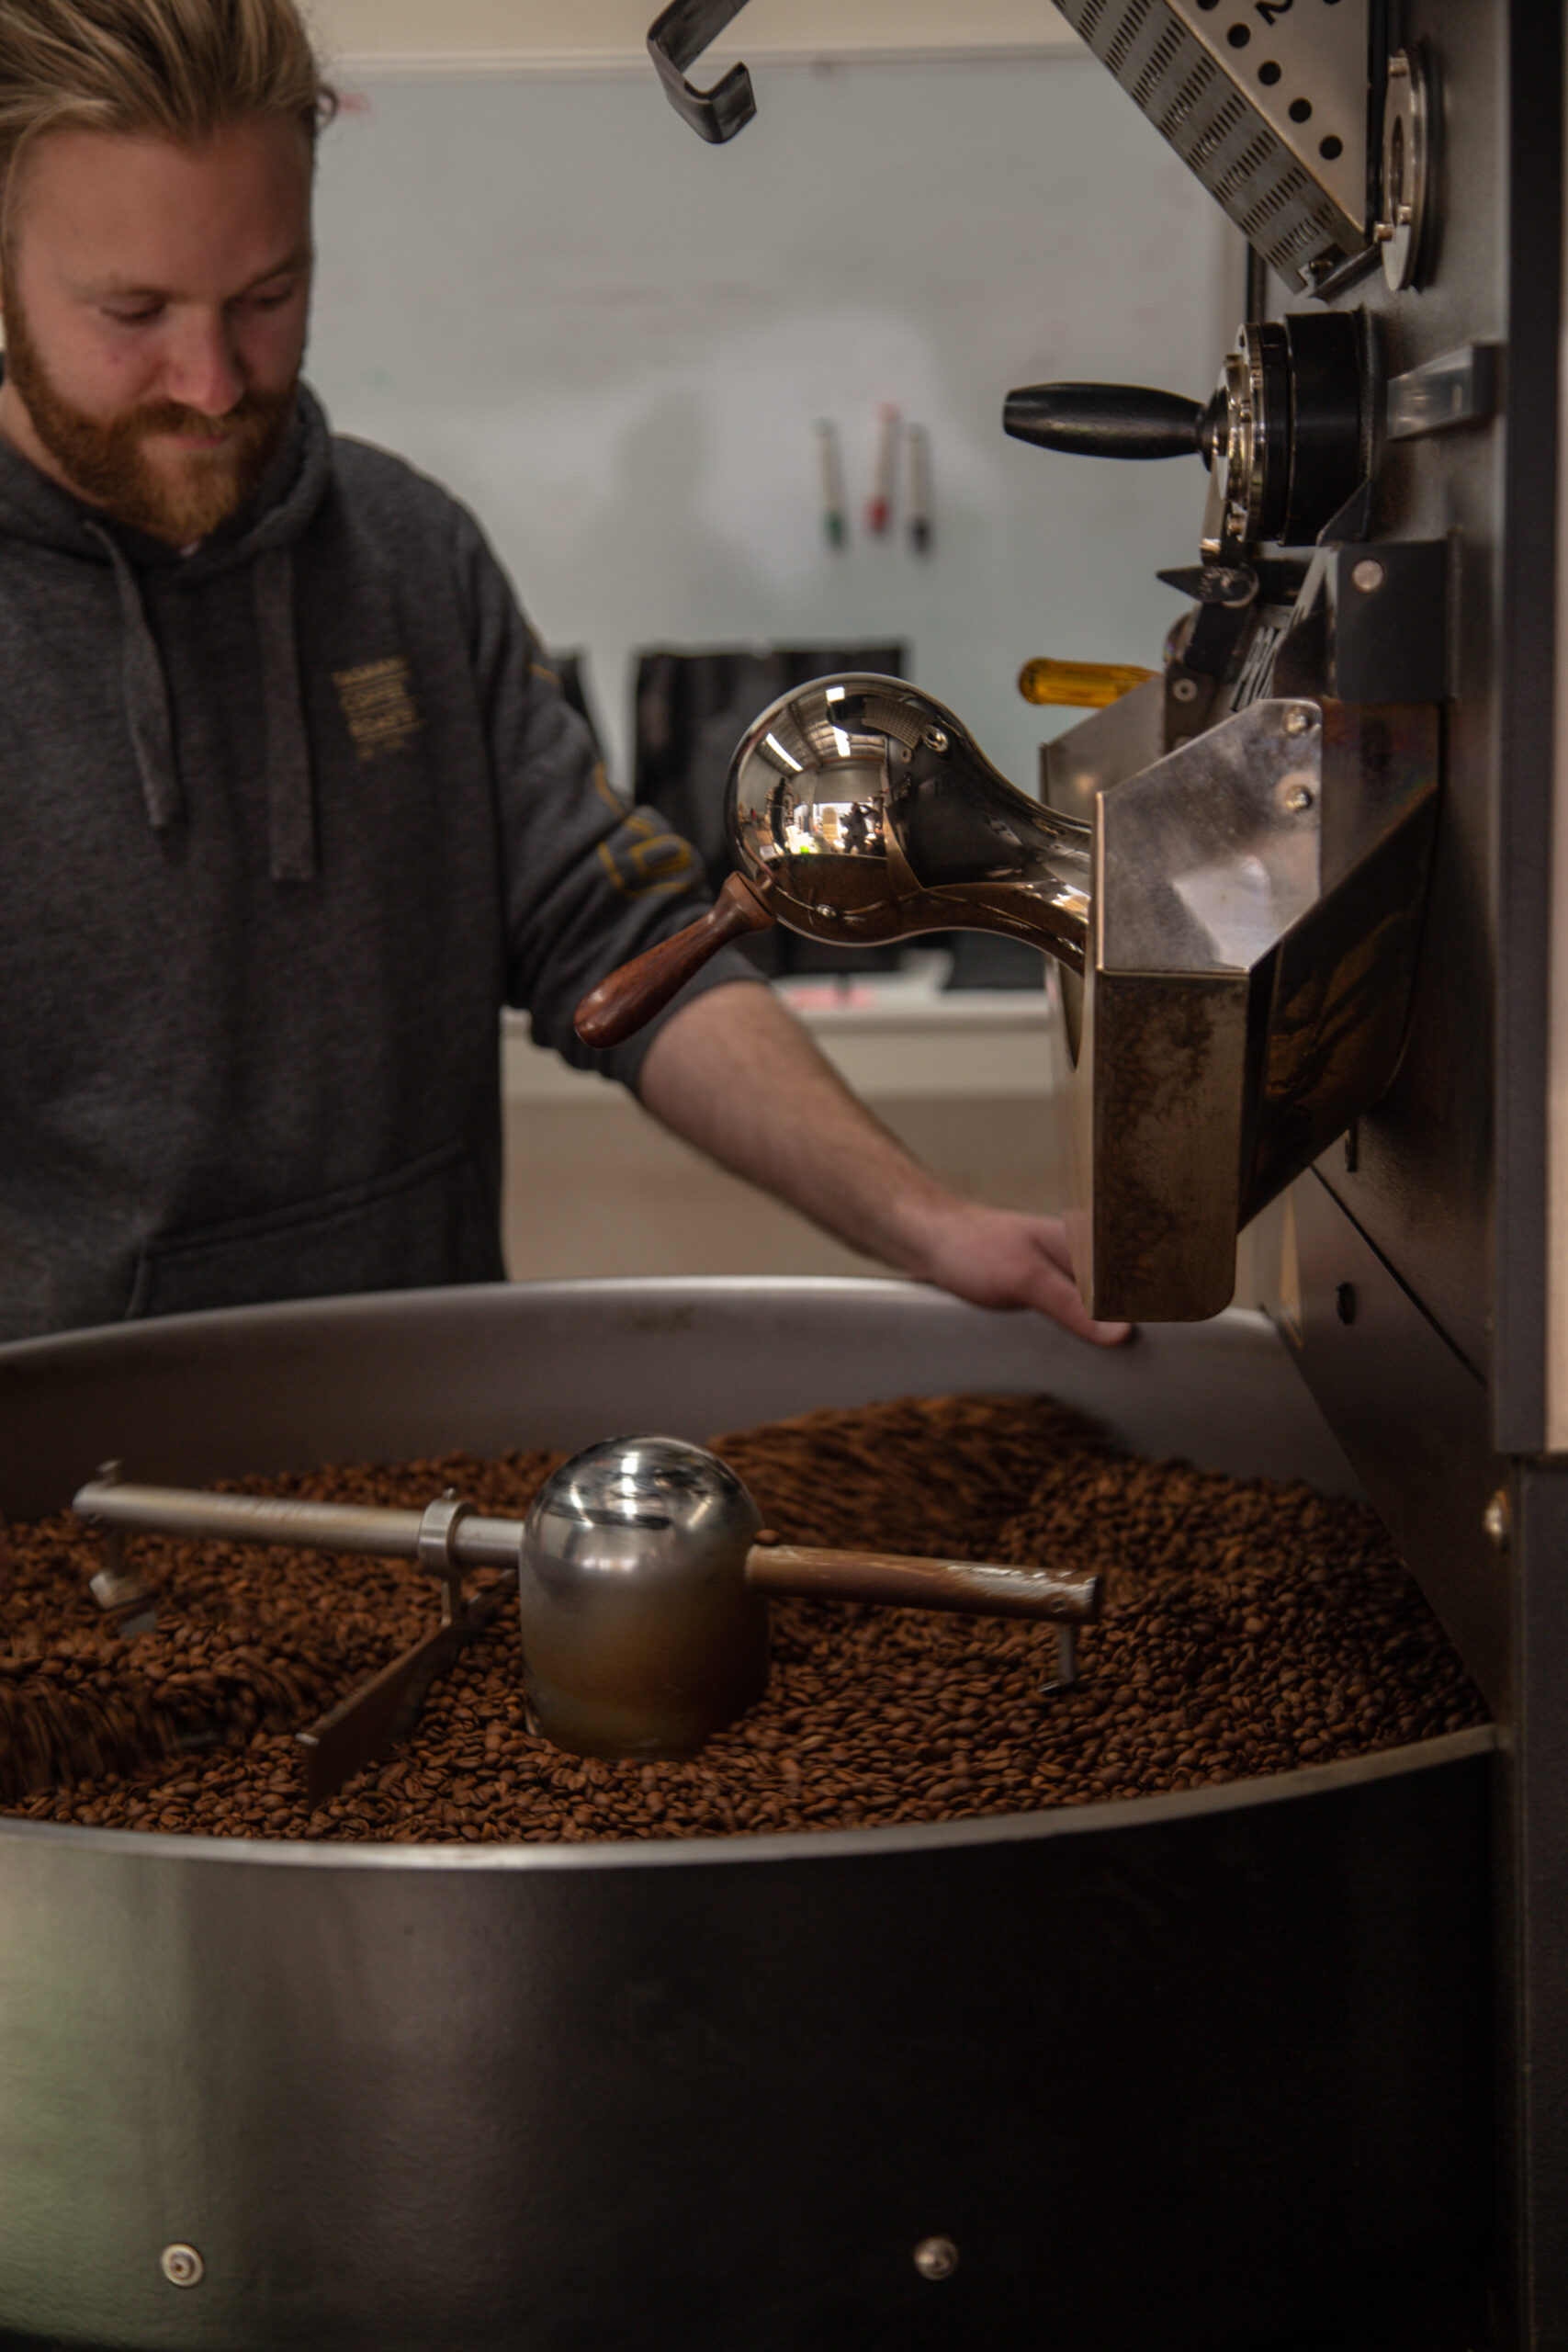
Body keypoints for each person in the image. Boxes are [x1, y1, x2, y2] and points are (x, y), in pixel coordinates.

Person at [0, 0, 1127, 1350]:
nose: (211, 380)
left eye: (267, 298)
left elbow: (618, 936)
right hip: (63, 1481)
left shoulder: (409, 555)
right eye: (133, 311)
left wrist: (928, 1225)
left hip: (420, 1456)